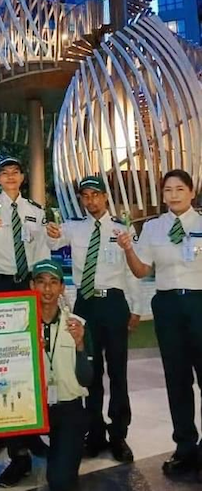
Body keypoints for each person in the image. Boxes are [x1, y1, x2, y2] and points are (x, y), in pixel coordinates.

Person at [0, 157, 50, 485]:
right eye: (5, 173)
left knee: (27, 362)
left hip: (26, 285)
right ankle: (0, 433)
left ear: (22, 177)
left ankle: (29, 432)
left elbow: (41, 252)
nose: (11, 177)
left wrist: (43, 289)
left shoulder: (35, 211)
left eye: (16, 172)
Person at [46, 175, 140, 463]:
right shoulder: (74, 227)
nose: (91, 200)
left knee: (118, 372)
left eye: (95, 195)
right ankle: (95, 433)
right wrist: (49, 230)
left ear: (105, 197)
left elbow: (131, 271)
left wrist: (136, 307)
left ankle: (119, 434)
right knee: (89, 371)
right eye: (85, 196)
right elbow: (53, 240)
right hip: (85, 305)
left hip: (114, 302)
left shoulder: (122, 228)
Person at [117, 169, 202, 479]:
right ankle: (185, 447)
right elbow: (141, 271)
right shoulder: (153, 228)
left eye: (180, 189)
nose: (174, 195)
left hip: (199, 303)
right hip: (167, 307)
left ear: (192, 192)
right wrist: (128, 249)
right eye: (168, 190)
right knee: (177, 380)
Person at [30, 259, 93, 491]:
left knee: (60, 481)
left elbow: (87, 379)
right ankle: (20, 457)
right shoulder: (19, 326)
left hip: (68, 407)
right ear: (32, 286)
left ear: (62, 288)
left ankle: (62, 454)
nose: (47, 288)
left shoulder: (78, 326)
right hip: (32, 407)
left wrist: (79, 345)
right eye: (41, 282)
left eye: (53, 282)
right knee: (7, 413)